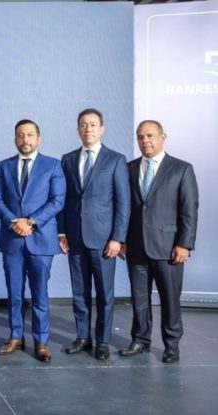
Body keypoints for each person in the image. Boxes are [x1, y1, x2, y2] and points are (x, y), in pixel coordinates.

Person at [119, 120, 198, 363]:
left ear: (163, 137)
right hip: (136, 246)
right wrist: (121, 239)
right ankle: (140, 340)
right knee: (139, 298)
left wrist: (184, 244)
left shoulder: (181, 169)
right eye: (141, 137)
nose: (145, 141)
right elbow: (123, 208)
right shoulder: (129, 168)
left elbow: (189, 209)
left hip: (169, 247)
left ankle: (172, 344)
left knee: (170, 299)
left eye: (150, 135)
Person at [0, 119, 65, 362]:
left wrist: (30, 222)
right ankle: (15, 336)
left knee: (40, 293)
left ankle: (41, 341)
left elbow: (57, 201)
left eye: (30, 135)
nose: (25, 139)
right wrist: (14, 221)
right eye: (21, 135)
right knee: (14, 292)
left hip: (40, 239)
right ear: (15, 139)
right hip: (12, 238)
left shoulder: (53, 165)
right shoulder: (4, 166)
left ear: (38, 139)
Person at [58, 108, 130, 361]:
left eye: (92, 124)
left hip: (104, 240)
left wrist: (117, 238)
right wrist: (62, 232)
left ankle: (103, 340)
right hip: (75, 237)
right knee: (79, 292)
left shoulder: (115, 159)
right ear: (78, 129)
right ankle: (82, 337)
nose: (88, 129)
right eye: (83, 124)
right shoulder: (67, 159)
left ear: (102, 129)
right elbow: (63, 199)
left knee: (104, 294)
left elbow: (123, 202)